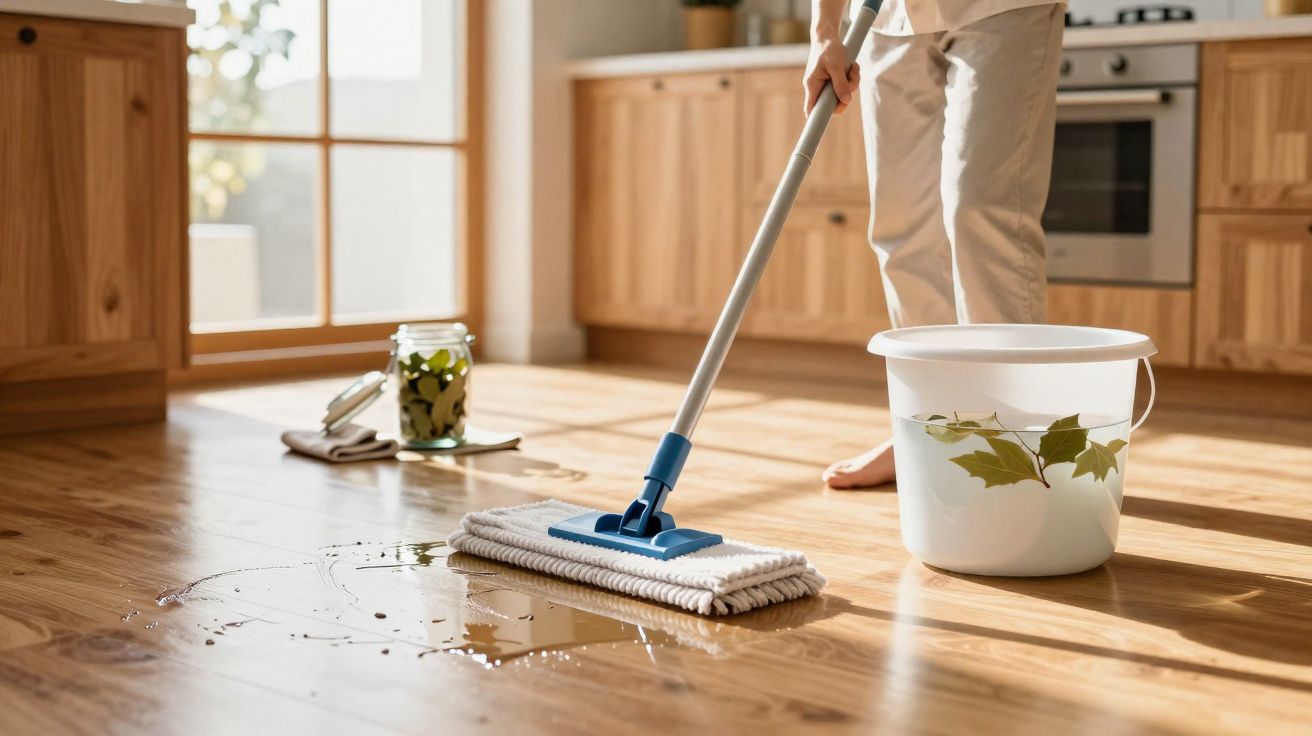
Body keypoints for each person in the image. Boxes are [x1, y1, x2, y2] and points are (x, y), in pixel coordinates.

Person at [806, 0, 1065, 489]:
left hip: (1002, 8)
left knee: (983, 210)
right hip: (888, 16)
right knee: (903, 227)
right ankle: (929, 428)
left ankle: (1013, 434)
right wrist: (825, 30)